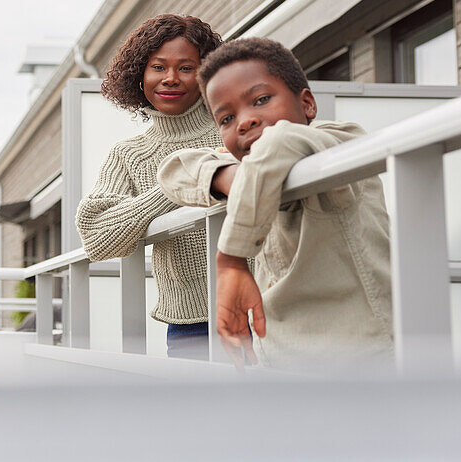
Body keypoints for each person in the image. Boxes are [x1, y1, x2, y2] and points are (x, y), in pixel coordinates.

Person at [157, 37, 393, 370]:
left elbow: (281, 141)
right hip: (281, 360)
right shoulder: (257, 170)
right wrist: (230, 176)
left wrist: (232, 261)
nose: (245, 121)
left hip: (361, 361)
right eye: (226, 119)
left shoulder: (339, 141)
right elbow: (173, 168)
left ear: (307, 104)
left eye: (262, 99)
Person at [76, 13, 223, 360]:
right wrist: (176, 185)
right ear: (139, 75)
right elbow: (96, 236)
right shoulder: (129, 155)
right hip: (191, 324)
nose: (170, 79)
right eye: (158, 67)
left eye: (186, 68)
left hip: (260, 307)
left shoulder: (233, 131)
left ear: (208, 74)